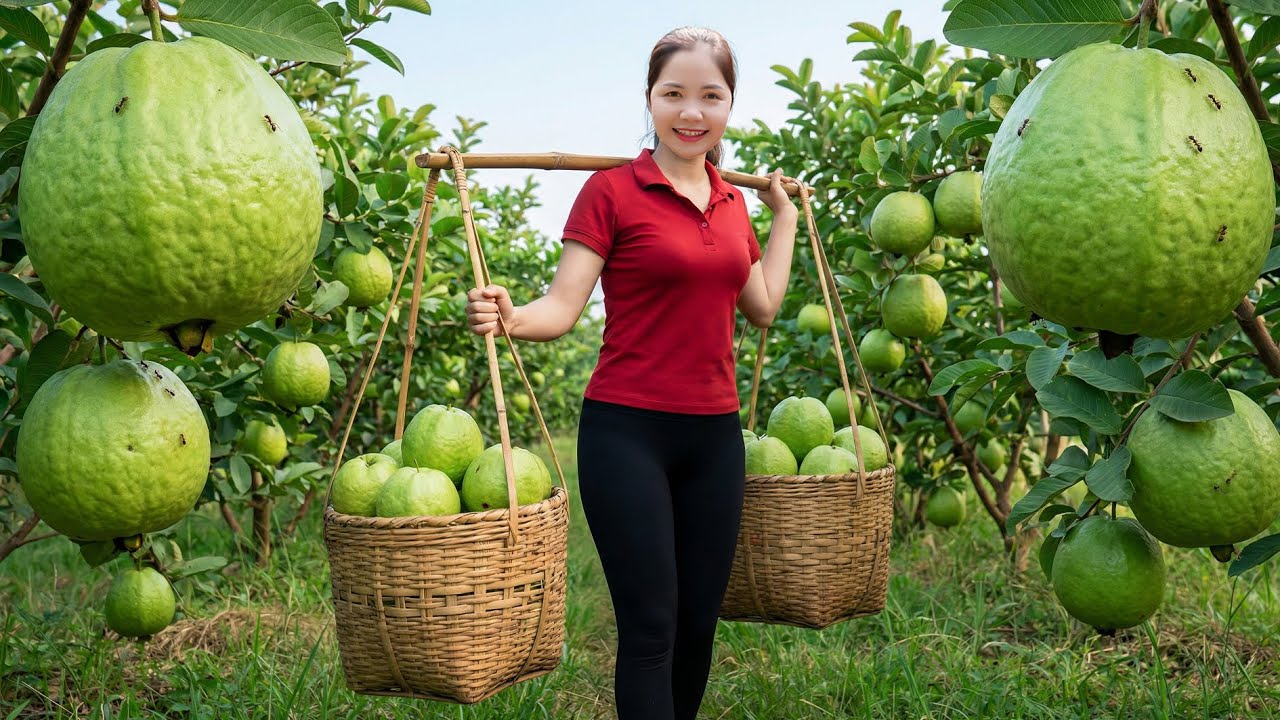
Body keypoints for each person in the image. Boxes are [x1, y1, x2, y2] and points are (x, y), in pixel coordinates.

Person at [464, 26, 799, 720]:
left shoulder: (733, 205)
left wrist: (784, 219)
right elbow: (561, 307)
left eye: (710, 96)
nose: (691, 112)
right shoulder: (611, 191)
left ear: (730, 105)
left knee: (698, 627)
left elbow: (763, 306)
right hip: (627, 432)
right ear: (650, 99)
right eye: (673, 94)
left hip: (715, 438)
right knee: (651, 628)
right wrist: (509, 315)